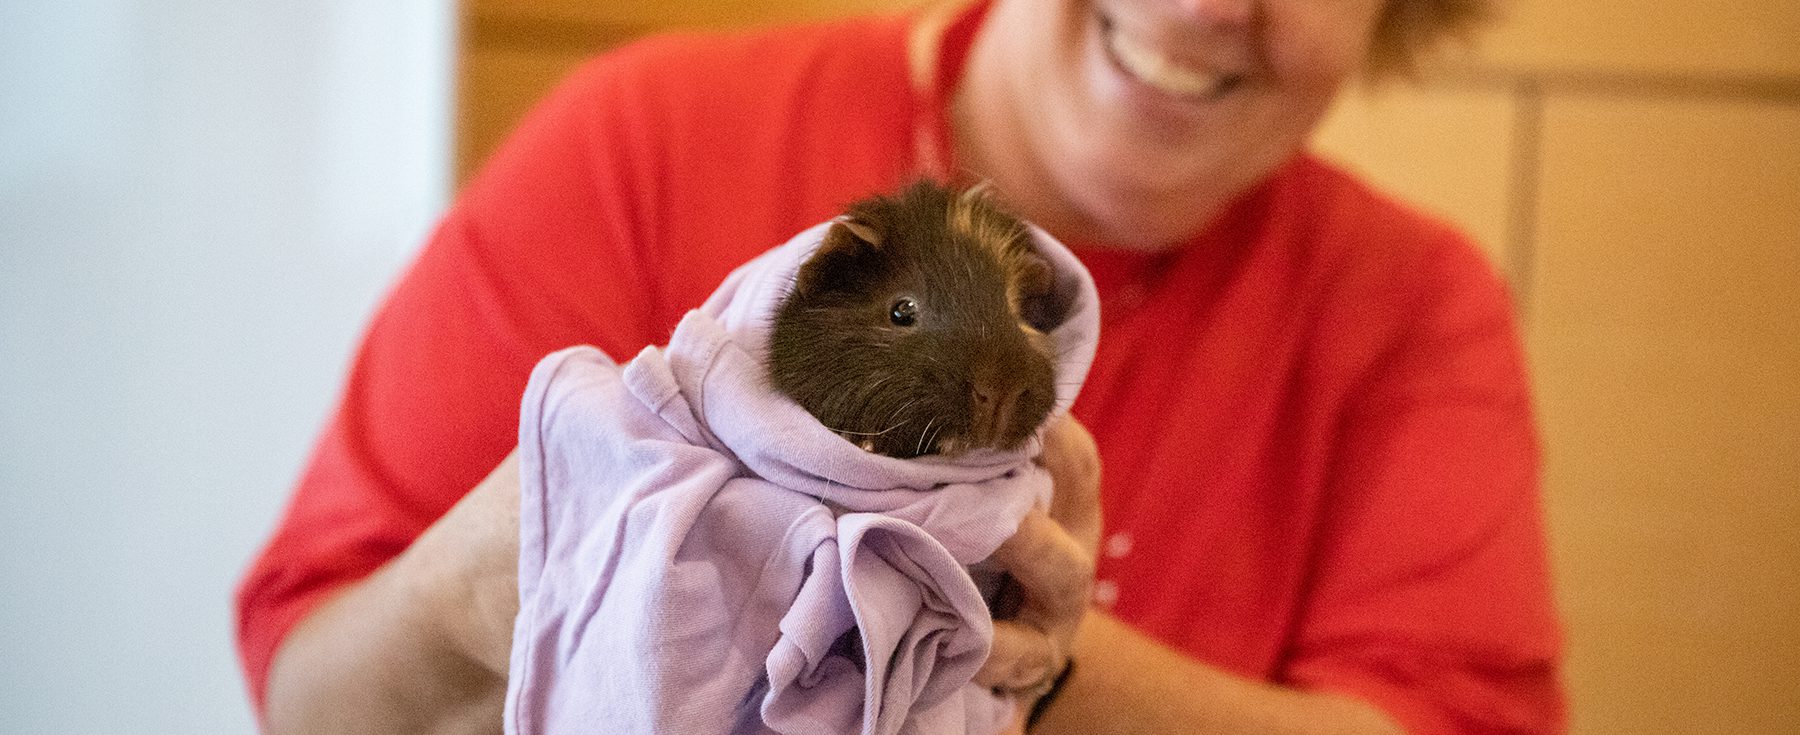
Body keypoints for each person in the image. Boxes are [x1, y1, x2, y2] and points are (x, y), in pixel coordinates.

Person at [237, 0, 1565, 732]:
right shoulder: (643, 139)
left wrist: (1027, 662)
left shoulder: (1413, 307)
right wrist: (521, 581)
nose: (1207, 3)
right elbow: (314, 698)